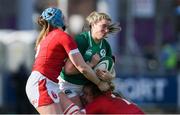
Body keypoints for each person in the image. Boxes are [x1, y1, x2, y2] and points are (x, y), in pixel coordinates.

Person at [25, 7, 110, 114]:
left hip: (51, 84)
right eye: (63, 17)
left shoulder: (46, 37)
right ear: (59, 20)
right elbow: (82, 68)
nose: (66, 19)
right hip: (42, 84)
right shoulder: (63, 37)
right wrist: (99, 83)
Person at [59, 11, 121, 107]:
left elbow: (111, 70)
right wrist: (91, 64)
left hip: (87, 88)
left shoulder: (106, 46)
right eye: (103, 26)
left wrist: (110, 76)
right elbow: (68, 70)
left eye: (108, 27)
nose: (107, 30)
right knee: (78, 112)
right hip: (69, 84)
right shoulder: (82, 40)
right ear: (93, 24)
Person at [59, 82, 144, 114]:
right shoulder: (112, 97)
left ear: (95, 94)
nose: (83, 97)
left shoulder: (100, 102)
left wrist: (59, 93)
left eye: (86, 94)